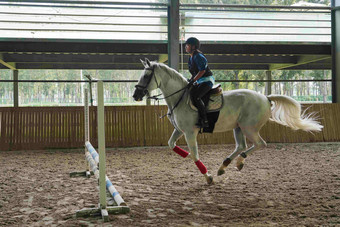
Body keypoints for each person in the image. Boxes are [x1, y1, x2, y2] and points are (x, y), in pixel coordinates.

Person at [185, 37, 215, 128]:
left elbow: (202, 71)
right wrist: (190, 80)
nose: (186, 47)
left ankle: (204, 120)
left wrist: (193, 80)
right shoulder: (191, 57)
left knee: (197, 97)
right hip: (200, 81)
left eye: (187, 45)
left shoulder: (198, 56)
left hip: (207, 81)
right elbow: (195, 72)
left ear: (193, 47)